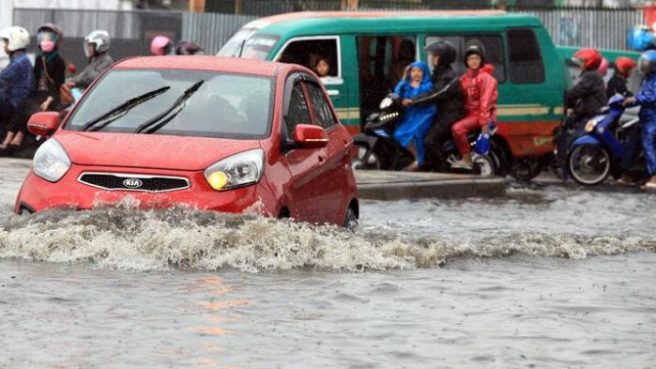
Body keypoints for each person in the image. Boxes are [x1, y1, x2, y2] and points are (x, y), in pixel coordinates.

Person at [406, 40, 464, 171]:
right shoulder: (438, 74)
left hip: (450, 114)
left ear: (444, 58)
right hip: (439, 113)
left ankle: (441, 169)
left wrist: (413, 101)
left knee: (429, 140)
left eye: (436, 56)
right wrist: (405, 93)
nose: (432, 59)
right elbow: (425, 88)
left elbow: (435, 93)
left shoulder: (449, 77)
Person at [449, 45, 498, 169]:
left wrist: (484, 122)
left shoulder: (487, 79)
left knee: (457, 129)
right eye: (471, 58)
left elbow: (485, 102)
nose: (474, 61)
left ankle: (466, 159)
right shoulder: (464, 79)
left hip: (481, 115)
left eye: (477, 58)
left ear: (481, 60)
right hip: (468, 113)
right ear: (466, 61)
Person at [557, 48, 606, 168]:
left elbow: (579, 90)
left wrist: (563, 95)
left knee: (576, 138)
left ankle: (567, 160)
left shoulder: (591, 76)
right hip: (583, 111)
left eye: (582, 62)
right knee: (563, 126)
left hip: (590, 113)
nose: (579, 64)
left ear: (589, 62)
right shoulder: (590, 75)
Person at [392, 61, 437, 171]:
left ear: (424, 72)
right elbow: (396, 93)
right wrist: (403, 77)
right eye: (413, 71)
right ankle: (417, 157)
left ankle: (419, 160)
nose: (416, 74)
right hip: (410, 115)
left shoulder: (428, 85)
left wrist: (411, 100)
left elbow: (422, 97)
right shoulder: (407, 85)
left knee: (417, 134)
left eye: (419, 71)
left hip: (425, 114)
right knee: (399, 134)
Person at [624, 50, 656, 190]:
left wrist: (636, 99)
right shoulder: (647, 78)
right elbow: (641, 95)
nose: (643, 65)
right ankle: (628, 174)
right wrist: (628, 100)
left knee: (648, 145)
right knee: (633, 142)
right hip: (644, 116)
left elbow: (651, 97)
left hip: (653, 118)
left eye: (646, 62)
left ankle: (654, 176)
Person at [0, 26, 33, 152]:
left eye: (6, 42)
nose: (4, 46)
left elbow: (3, 79)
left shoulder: (18, 62)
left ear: (15, 42)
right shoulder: (21, 59)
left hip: (13, 104)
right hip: (14, 102)